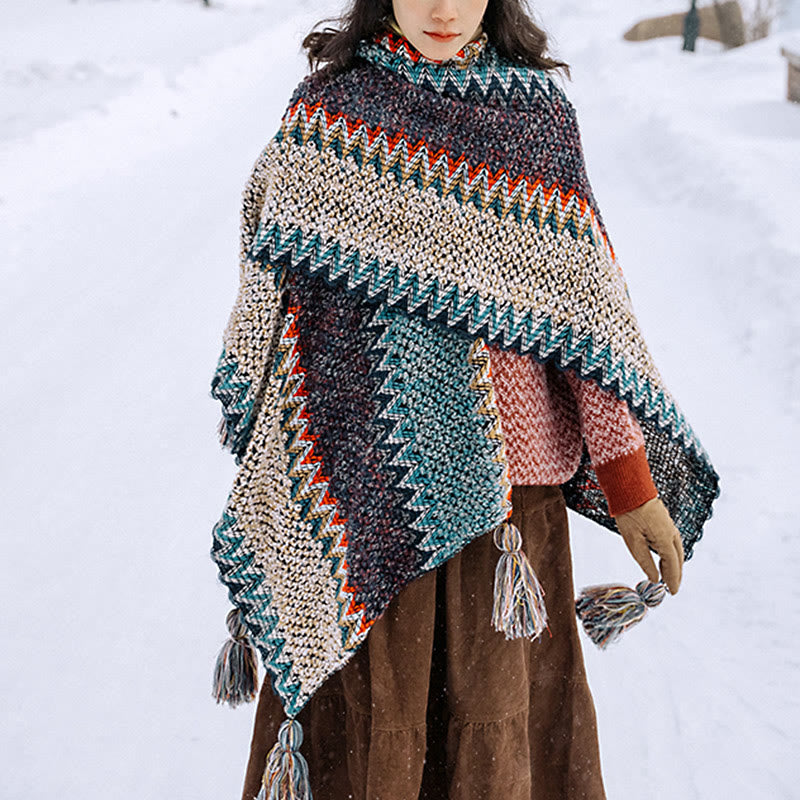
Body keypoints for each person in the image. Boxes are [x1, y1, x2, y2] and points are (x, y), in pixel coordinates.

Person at [208, 2, 719, 799]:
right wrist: (278, 455)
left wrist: (630, 484)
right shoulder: (330, 119)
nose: (443, 9)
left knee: (496, 741)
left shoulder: (535, 119)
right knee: (372, 735)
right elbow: (273, 303)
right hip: (362, 496)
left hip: (512, 513)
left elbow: (588, 321)